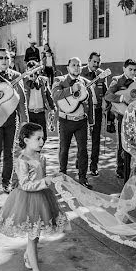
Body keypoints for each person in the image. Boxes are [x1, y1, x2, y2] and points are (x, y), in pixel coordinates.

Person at [0, 123, 68, 271]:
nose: (42, 141)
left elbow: (42, 176)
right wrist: (46, 181)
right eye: (38, 138)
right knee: (33, 236)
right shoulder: (22, 160)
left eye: (43, 138)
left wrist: (53, 177)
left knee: (35, 236)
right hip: (26, 200)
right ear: (26, 140)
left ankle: (28, 257)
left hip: (42, 198)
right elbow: (25, 184)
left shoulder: (41, 157)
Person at [0, 48, 28, 192]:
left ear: (10, 60)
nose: (4, 61)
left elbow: (22, 100)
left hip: (11, 119)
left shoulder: (16, 76)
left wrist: (24, 121)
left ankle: (6, 182)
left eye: (6, 58)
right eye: (1, 58)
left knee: (9, 152)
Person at [52, 57, 92, 188]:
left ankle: (82, 177)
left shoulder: (85, 82)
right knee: (64, 149)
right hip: (66, 121)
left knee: (83, 150)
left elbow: (90, 103)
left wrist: (91, 122)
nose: (76, 67)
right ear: (68, 67)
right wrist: (71, 89)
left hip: (81, 121)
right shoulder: (60, 80)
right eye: (73, 65)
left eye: (79, 65)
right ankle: (62, 174)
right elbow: (55, 95)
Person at [104, 58, 136, 179]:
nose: (133, 72)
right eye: (130, 69)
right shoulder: (117, 80)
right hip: (122, 115)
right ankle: (121, 168)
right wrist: (121, 99)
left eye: (135, 70)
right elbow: (108, 96)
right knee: (122, 142)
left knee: (135, 142)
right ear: (124, 69)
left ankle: (134, 166)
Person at [83, 52, 108, 177]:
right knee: (82, 138)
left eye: (98, 62)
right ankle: (80, 160)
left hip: (97, 110)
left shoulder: (102, 74)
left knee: (96, 139)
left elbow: (105, 92)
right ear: (89, 60)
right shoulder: (81, 72)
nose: (96, 64)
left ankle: (94, 165)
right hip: (83, 110)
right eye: (94, 62)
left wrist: (105, 103)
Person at [23, 60, 54, 138]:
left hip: (41, 112)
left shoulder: (43, 80)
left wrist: (52, 107)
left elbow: (48, 94)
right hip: (30, 113)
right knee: (30, 137)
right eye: (30, 71)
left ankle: (40, 149)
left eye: (34, 71)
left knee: (43, 136)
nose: (33, 74)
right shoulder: (23, 81)